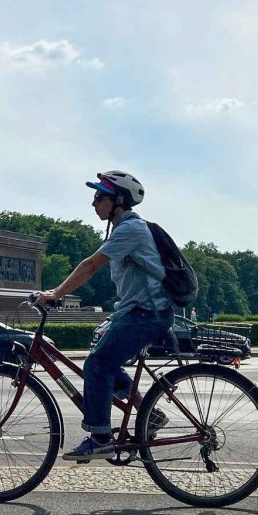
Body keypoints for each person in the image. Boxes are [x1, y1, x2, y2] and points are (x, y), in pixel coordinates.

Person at [36, 170, 172, 463]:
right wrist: (55, 291)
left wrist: (56, 294)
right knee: (103, 355)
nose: (94, 203)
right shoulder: (124, 228)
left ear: (118, 201)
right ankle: (149, 411)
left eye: (99, 197)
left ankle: (100, 437)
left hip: (147, 314)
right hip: (138, 311)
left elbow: (90, 265)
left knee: (97, 364)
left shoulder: (130, 230)